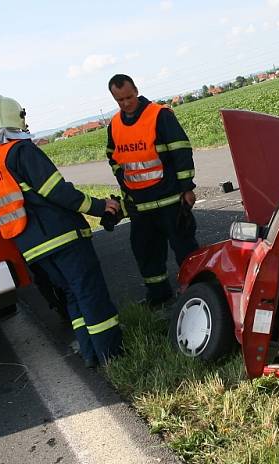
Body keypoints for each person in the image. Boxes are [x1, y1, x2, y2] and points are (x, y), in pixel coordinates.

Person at [0, 95, 122, 367]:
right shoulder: (20, 151)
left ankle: (90, 355)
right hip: (62, 237)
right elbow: (57, 192)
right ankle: (112, 356)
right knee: (90, 293)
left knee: (73, 297)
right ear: (17, 117)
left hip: (31, 247)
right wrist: (102, 207)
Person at [106, 74, 199, 307]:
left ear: (136, 90)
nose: (126, 103)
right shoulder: (114, 125)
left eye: (128, 97)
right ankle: (159, 297)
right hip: (141, 206)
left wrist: (186, 188)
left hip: (171, 200)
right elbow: (114, 158)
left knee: (185, 250)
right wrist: (124, 183)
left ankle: (199, 290)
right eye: (120, 100)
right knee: (146, 253)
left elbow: (181, 151)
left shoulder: (160, 115)